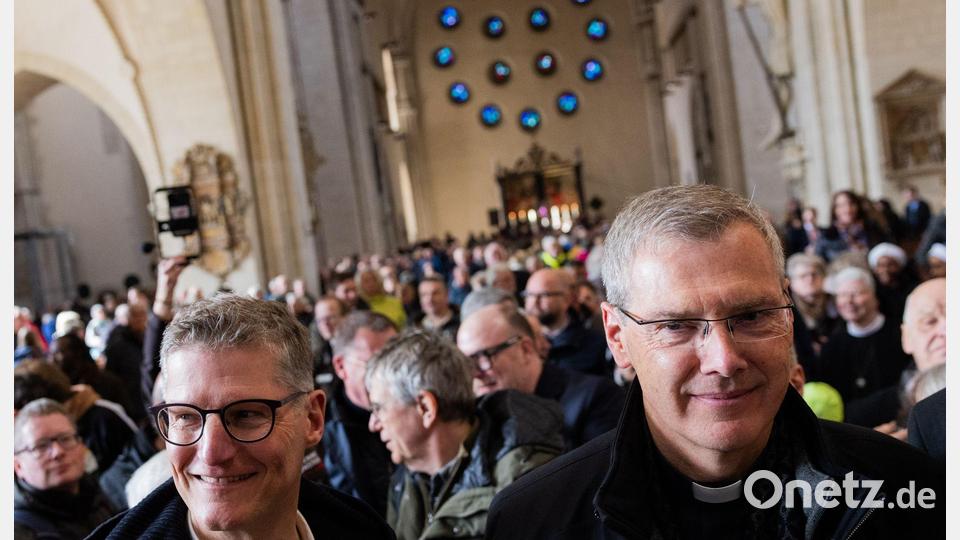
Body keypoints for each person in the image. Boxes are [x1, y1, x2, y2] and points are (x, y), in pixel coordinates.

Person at [486, 185, 941, 539]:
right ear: (617, 337)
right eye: (676, 325)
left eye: (752, 315)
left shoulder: (903, 485)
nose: (724, 359)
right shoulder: (534, 522)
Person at [88, 294, 395, 539]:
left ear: (312, 419)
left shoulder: (363, 529)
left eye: (245, 415)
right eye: (185, 417)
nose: (211, 452)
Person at [365, 331, 563, 540]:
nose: (373, 424)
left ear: (426, 408)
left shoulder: (523, 481)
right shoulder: (405, 477)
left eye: (379, 408)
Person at [457, 303, 623, 450]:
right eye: (466, 363)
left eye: (483, 357)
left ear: (525, 349)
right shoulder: (478, 417)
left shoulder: (595, 399)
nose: (475, 374)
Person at [816, 267, 912, 427]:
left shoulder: (901, 334)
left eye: (856, 294)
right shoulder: (831, 347)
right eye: (842, 295)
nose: (848, 301)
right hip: (855, 430)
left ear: (874, 297)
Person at [324, 310, 397, 517]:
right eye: (375, 364)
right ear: (341, 366)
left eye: (395, 361)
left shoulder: (414, 411)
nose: (389, 376)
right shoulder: (316, 434)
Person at [14, 398, 117, 539]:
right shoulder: (18, 530)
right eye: (41, 446)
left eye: (65, 438)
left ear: (82, 446)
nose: (58, 452)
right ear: (18, 466)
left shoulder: (98, 497)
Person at [523, 268, 609, 375]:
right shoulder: (518, 344)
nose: (534, 302)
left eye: (544, 295)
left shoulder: (595, 344)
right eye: (529, 295)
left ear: (568, 299)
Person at [310, 296, 346, 384]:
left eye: (330, 318)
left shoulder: (358, 352)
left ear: (345, 317)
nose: (325, 324)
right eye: (320, 320)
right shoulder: (320, 354)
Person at [413, 275, 460, 341]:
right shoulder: (413, 327)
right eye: (424, 294)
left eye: (435, 293)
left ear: (446, 295)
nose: (429, 299)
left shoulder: (461, 322)